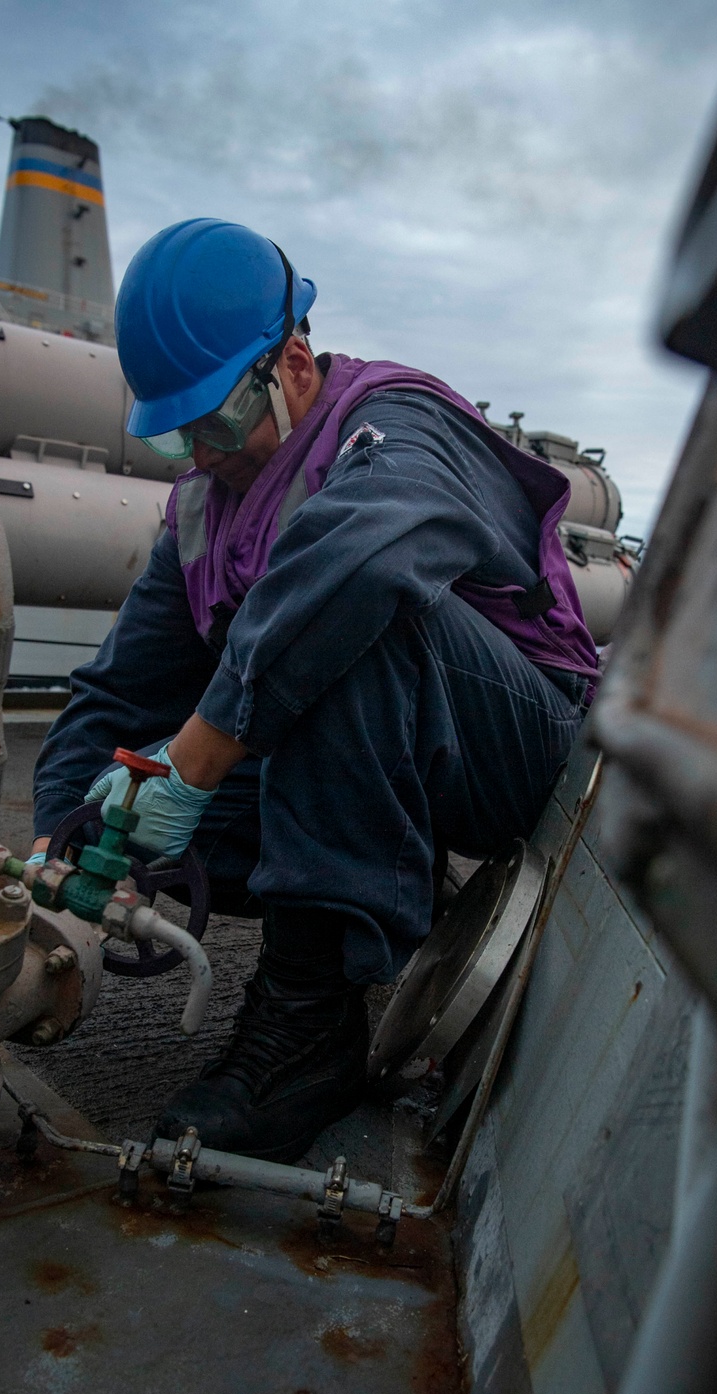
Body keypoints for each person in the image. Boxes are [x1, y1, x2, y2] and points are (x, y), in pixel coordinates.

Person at [30, 218, 599, 1163]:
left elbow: (369, 558)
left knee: (357, 606)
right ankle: (375, 889)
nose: (202, 456)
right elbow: (117, 692)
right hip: (376, 765)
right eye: (178, 437)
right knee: (118, 806)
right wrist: (58, 840)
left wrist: (201, 755)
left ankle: (308, 1034)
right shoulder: (201, 513)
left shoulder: (399, 422)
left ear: (292, 361)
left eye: (214, 423)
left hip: (517, 753)